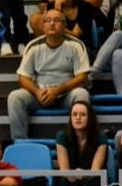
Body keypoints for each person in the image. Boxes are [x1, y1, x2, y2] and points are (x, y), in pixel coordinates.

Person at [7, 10, 91, 139]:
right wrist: (37, 92)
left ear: (64, 26)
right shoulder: (33, 46)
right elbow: (23, 77)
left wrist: (57, 91)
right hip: (40, 95)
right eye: (47, 21)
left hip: (66, 95)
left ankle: (80, 139)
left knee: (82, 94)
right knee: (15, 97)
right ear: (43, 26)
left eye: (57, 21)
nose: (52, 24)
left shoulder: (76, 46)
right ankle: (20, 142)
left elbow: (82, 77)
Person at [30, 0, 97, 56]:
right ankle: (44, 52)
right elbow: (46, 28)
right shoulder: (52, 5)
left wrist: (57, 9)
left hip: (80, 46)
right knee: (35, 18)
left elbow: (75, 35)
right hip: (56, 45)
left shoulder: (85, 7)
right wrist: (57, 6)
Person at [56, 101, 107, 185]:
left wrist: (83, 175)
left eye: (83, 115)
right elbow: (64, 170)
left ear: (90, 118)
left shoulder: (100, 138)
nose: (78, 118)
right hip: (70, 178)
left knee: (96, 182)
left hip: (92, 179)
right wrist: (73, 175)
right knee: (63, 182)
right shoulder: (62, 136)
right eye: (74, 114)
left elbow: (95, 170)